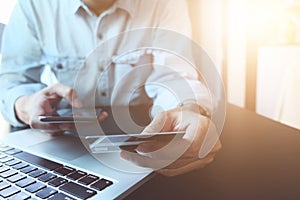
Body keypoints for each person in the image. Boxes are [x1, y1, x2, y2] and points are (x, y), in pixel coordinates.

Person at [0, 0, 221, 176]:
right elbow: (12, 79)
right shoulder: (33, 5)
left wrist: (189, 108)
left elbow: (173, 76)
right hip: (61, 138)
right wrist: (24, 104)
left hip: (139, 132)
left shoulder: (163, 3)